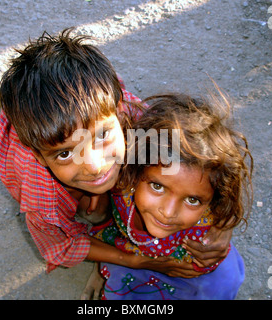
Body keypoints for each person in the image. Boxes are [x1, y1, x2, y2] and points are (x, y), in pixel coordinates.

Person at [0, 28, 232, 291]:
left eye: (102, 135)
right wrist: (134, 260)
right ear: (40, 156)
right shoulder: (43, 201)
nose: (95, 166)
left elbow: (213, 159)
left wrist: (223, 228)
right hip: (51, 182)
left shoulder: (136, 121)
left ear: (120, 113)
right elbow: (61, 247)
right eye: (65, 153)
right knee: (93, 207)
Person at [90, 92, 253, 299]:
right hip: (131, 257)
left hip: (186, 273)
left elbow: (229, 203)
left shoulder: (206, 239)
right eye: (157, 186)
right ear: (135, 169)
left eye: (192, 200)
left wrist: (224, 225)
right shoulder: (121, 183)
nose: (168, 212)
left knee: (221, 282)